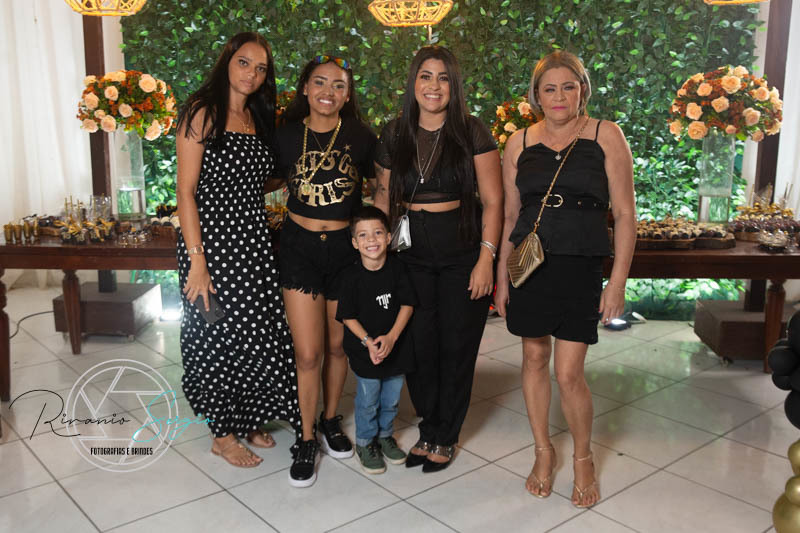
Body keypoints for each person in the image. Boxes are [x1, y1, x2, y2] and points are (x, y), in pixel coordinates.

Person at [494, 50, 636, 508]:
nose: (559, 97)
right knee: (534, 358)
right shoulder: (518, 141)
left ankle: (582, 458)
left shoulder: (605, 134)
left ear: (582, 90)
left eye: (568, 87)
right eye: (549, 89)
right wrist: (501, 278)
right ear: (536, 95)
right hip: (530, 264)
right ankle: (543, 451)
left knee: (569, 372)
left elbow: (625, 215)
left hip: (581, 264)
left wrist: (617, 283)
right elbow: (511, 216)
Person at [373, 46, 503, 473]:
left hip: (461, 248)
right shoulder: (395, 133)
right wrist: (377, 256)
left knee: (457, 346)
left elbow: (494, 200)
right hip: (408, 251)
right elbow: (382, 199)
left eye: (443, 77)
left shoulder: (471, 131)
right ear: (413, 82)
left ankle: (445, 435)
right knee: (418, 345)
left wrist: (486, 259)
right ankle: (430, 427)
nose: (434, 86)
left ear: (454, 85)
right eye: (426, 76)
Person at [175, 32, 300, 469]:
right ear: (227, 61)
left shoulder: (256, 117)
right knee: (213, 339)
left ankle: (247, 418)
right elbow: (185, 192)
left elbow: (255, 179)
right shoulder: (202, 112)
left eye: (261, 68)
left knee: (257, 333)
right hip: (209, 246)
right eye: (244, 62)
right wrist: (197, 261)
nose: (252, 74)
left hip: (252, 242)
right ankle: (222, 435)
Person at [269, 54, 377, 487]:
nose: (328, 92)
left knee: (337, 347)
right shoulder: (285, 135)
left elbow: (382, 185)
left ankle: (331, 420)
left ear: (347, 94)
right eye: (319, 82)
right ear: (305, 88)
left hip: (345, 251)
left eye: (338, 85)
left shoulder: (361, 136)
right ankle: (306, 436)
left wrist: (375, 237)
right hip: (299, 248)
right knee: (308, 353)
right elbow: (265, 182)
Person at [336, 206, 416, 474]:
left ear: (389, 237)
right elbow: (347, 317)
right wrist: (369, 342)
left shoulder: (398, 268)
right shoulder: (350, 277)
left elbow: (407, 305)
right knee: (369, 400)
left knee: (391, 399)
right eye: (363, 235)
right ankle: (365, 442)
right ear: (354, 242)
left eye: (378, 233)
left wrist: (392, 338)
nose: (371, 240)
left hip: (397, 348)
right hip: (365, 351)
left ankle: (384, 436)